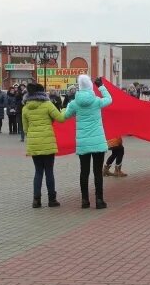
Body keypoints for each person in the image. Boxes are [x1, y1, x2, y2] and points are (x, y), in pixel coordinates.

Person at [64, 75, 113, 209]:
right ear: (91, 86)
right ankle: (99, 200)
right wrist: (101, 86)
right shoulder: (97, 101)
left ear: (79, 86)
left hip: (83, 143)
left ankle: (85, 200)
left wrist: (69, 109)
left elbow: (64, 116)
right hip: (98, 142)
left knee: (84, 172)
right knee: (97, 172)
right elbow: (109, 100)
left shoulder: (74, 103)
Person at [22, 83, 66, 208]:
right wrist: (63, 109)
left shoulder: (25, 108)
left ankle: (36, 200)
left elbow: (25, 129)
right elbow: (61, 119)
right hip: (48, 143)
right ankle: (52, 199)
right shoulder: (47, 104)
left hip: (34, 143)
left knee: (38, 172)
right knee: (49, 171)